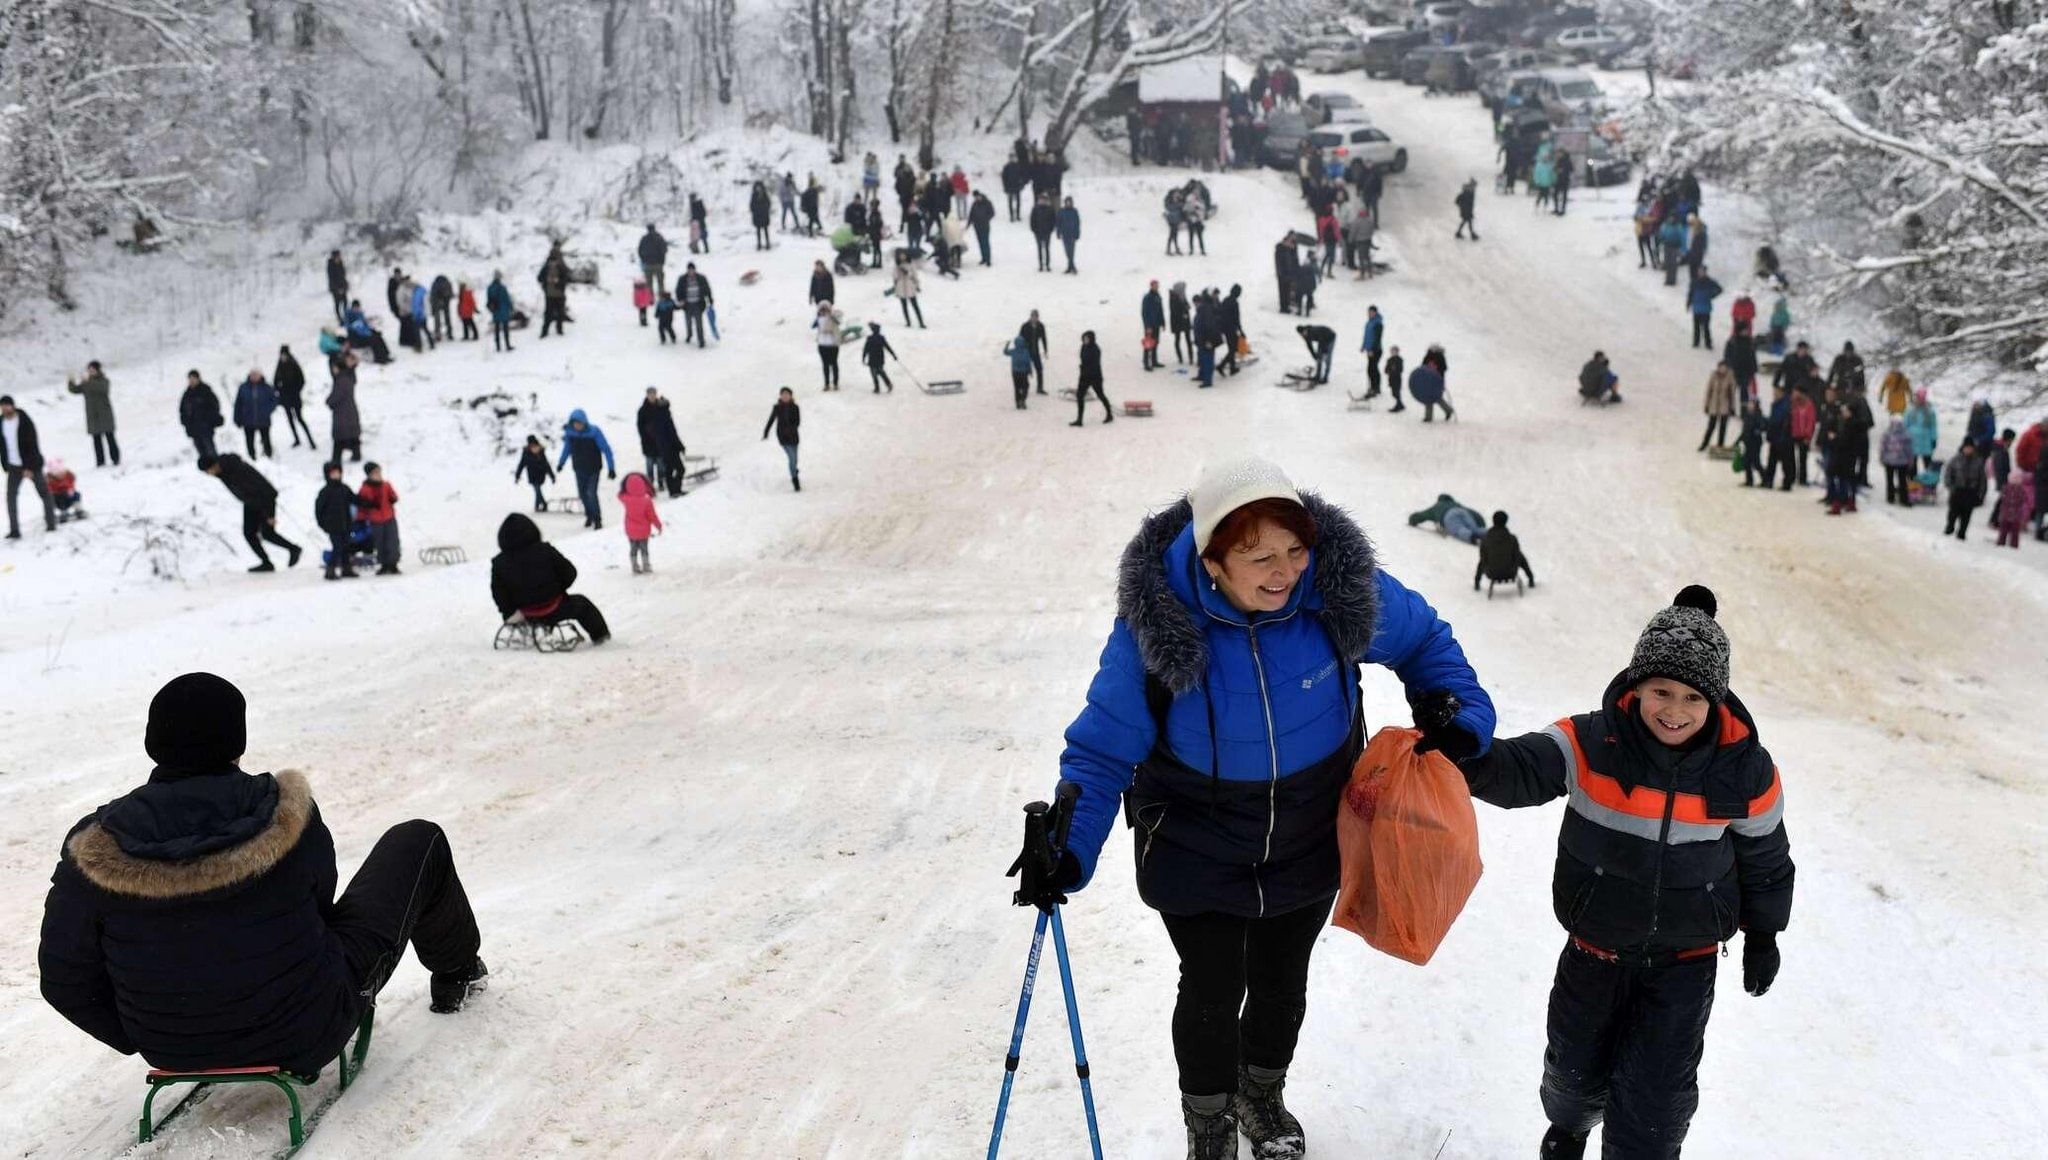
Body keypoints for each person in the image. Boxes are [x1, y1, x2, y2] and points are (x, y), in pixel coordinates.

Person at [1039, 456, 1494, 1160]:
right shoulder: (1157, 630)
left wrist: (1456, 708)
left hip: (1310, 829)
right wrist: (1066, 850)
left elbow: (1427, 640)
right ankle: (1210, 1120)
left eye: (1294, 550)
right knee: (1214, 986)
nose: (1284, 571)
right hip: (1196, 832)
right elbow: (1103, 752)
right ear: (1212, 559)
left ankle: (1260, 1090)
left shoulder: (1338, 595)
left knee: (1283, 981)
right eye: (1258, 557)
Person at [1455, 586, 1793, 1160]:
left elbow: (1766, 860)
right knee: (1573, 1075)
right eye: (1661, 691)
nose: (1674, 710)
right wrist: (1463, 753)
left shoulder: (1745, 772)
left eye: (1692, 697)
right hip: (1594, 951)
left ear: (1717, 700)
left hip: (1684, 966)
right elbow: (1517, 770)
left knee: (1656, 1105)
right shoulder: (1590, 742)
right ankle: (1568, 1128)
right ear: (1636, 686)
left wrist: (1763, 935)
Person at [38, 674, 489, 1082]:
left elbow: (63, 977)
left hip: (170, 1045)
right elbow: (321, 909)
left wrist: (146, 1028)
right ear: (237, 740)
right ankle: (457, 973)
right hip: (308, 1030)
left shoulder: (96, 845)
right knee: (417, 840)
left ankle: (192, 1035)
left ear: (153, 742)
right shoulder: (283, 812)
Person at [492, 515, 611, 644]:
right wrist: (559, 589)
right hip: (553, 607)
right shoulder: (545, 550)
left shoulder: (499, 562)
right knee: (582, 605)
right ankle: (601, 636)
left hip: (524, 613)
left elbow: (498, 592)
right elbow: (570, 572)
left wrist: (509, 612)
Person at [198, 453, 301, 572]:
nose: (208, 474)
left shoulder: (236, 469)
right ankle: (266, 562)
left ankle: (294, 549)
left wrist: (270, 515)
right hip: (251, 502)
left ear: (214, 466)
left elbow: (261, 488)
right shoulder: (223, 472)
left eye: (207, 471)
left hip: (264, 499)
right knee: (249, 533)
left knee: (267, 533)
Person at [1, 396, 57, 538]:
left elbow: (32, 445)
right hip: (13, 467)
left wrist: (29, 468)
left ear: (13, 406)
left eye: (7, 405)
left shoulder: (24, 420)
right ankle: (15, 530)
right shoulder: (1, 423)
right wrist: (5, 464)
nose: (5, 408)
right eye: (3, 406)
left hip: (32, 465)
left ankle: (51, 523)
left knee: (44, 492)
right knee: (10, 497)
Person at [556, 410, 616, 529]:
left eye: (580, 423)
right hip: (579, 468)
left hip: (594, 469)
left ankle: (597, 519)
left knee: (591, 493)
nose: (577, 425)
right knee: (582, 494)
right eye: (575, 423)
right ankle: (589, 515)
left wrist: (611, 468)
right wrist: (561, 463)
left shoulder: (594, 432)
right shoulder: (570, 434)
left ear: (584, 422)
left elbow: (606, 449)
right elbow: (566, 449)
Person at [67, 361, 120, 467]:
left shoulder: (104, 381)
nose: (90, 372)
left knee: (110, 438)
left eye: (92, 370)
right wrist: (71, 381)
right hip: (93, 416)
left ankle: (115, 459)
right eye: (89, 370)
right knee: (97, 440)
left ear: (98, 370)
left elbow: (102, 389)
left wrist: (87, 382)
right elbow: (75, 390)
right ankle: (100, 462)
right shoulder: (87, 383)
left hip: (105, 415)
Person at [314, 461, 362, 579]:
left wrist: (366, 502)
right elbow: (319, 510)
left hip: (346, 524)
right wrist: (323, 524)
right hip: (333, 526)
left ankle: (347, 568)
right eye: (333, 473)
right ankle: (330, 570)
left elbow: (354, 500)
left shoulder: (344, 488)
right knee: (337, 547)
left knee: (346, 546)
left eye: (338, 473)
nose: (336, 475)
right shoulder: (325, 492)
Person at [637, 389, 686, 497]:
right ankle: (672, 490)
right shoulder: (645, 411)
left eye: (654, 394)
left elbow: (671, 431)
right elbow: (642, 429)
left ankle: (671, 489)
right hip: (659, 446)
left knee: (668, 468)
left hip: (664, 446)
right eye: (650, 394)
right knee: (665, 468)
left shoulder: (662, 413)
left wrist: (678, 445)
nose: (652, 396)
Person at [355, 461, 401, 574]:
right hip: (375, 520)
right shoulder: (365, 488)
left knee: (393, 541)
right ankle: (384, 564)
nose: (378, 475)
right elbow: (361, 504)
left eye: (379, 472)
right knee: (380, 542)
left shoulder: (386, 485)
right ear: (369, 475)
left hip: (389, 517)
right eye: (375, 473)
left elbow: (393, 495)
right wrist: (362, 515)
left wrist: (393, 498)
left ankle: (393, 563)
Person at [1474, 511, 1536, 591]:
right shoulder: (1512, 539)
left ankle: (1477, 582)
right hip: (1510, 572)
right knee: (1519, 554)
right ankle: (1530, 578)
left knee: (1485, 556)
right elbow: (1517, 556)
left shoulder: (1486, 539)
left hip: (1491, 573)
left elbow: (1483, 559)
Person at [619, 471, 663, 574]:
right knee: (644, 549)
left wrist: (624, 488)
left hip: (630, 530)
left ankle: (634, 566)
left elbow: (619, 494)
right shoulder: (646, 500)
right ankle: (646, 565)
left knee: (633, 548)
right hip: (644, 531)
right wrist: (659, 526)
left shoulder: (626, 499)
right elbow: (652, 516)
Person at [1944, 439, 1988, 539]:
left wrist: (1981, 493)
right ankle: (1950, 527)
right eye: (1966, 448)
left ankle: (1962, 533)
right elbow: (1948, 474)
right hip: (1957, 490)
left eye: (1970, 448)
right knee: (1953, 512)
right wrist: (1950, 486)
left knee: (1966, 515)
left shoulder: (1978, 462)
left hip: (1970, 492)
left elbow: (1982, 479)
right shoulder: (1955, 460)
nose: (1968, 450)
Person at [274, 347, 314, 451]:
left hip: (295, 397)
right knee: (290, 419)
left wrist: (296, 390)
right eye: (281, 355)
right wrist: (279, 391)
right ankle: (296, 439)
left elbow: (301, 380)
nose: (283, 357)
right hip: (285, 398)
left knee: (300, 418)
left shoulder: (294, 364)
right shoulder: (279, 365)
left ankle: (311, 440)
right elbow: (275, 380)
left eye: (284, 355)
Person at [233, 369, 278, 460]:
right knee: (249, 440)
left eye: (256, 375)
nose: (254, 377)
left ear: (260, 375)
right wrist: (237, 418)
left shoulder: (267, 387)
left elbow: (274, 400)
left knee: (266, 439)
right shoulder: (243, 387)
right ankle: (252, 457)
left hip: (263, 420)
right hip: (248, 420)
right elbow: (238, 404)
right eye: (252, 375)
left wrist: (267, 410)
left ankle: (268, 455)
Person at [327, 352, 363, 464]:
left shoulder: (341, 380)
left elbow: (336, 396)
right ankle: (356, 454)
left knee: (339, 437)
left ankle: (335, 459)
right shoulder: (348, 377)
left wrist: (329, 402)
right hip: (350, 410)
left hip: (342, 413)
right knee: (352, 435)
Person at [763, 387, 801, 491]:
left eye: (787, 394)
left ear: (791, 396)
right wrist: (766, 432)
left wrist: (791, 428)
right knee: (792, 458)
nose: (785, 396)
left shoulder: (795, 407)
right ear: (780, 396)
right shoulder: (777, 407)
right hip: (783, 437)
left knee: (795, 459)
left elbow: (798, 422)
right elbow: (771, 420)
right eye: (783, 394)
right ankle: (795, 480)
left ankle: (794, 470)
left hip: (794, 437)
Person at [1069, 331, 1110, 426]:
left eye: (1087, 339)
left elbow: (1094, 364)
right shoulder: (1083, 347)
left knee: (1100, 395)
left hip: (1095, 377)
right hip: (1084, 376)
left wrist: (1085, 368)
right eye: (1084, 339)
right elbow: (1083, 359)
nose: (1085, 340)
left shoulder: (1096, 349)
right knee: (1080, 396)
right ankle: (1079, 419)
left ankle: (1109, 414)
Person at [180, 371, 224, 459]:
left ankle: (217, 467)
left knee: (210, 451)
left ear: (198, 379)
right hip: (193, 429)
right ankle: (207, 469)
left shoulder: (205, 391)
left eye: (193, 379)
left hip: (206, 427)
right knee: (201, 453)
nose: (191, 381)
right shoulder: (187, 394)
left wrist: (208, 420)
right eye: (190, 379)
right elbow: (182, 411)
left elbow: (214, 406)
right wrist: (185, 423)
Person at [1408, 493, 1486, 542]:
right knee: (1474, 528)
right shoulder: (1455, 503)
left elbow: (1422, 515)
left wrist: (1412, 519)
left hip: (1448, 515)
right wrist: (1481, 523)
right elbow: (1473, 513)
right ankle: (1489, 534)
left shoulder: (1436, 507)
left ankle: (1472, 537)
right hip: (1463, 511)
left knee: (1458, 529)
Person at [1879, 418, 1916, 507]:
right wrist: (1911, 459)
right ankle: (1904, 499)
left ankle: (1890, 497)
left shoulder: (1886, 434)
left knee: (1889, 480)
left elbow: (1883, 448)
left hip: (1889, 461)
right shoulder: (1906, 435)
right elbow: (1909, 450)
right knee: (1902, 480)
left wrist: (1882, 458)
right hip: (1902, 461)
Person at [1994, 469, 2034, 549]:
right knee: (2007, 531)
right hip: (2012, 514)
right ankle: (2009, 543)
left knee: (2010, 531)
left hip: (2012, 514)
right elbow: (2024, 501)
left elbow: (2002, 500)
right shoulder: (2014, 489)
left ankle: (2008, 543)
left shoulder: (2013, 489)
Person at [1412, 345, 1454, 422]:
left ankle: (1448, 410)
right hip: (1427, 381)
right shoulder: (1427, 356)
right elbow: (1423, 367)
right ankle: (1428, 417)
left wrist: (1436, 370)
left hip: (1437, 381)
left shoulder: (1441, 357)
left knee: (1438, 398)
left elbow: (1444, 368)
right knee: (1428, 398)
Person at [1700, 362, 1737, 450]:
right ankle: (1704, 443)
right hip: (1714, 405)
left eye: (1724, 368)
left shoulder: (1730, 377)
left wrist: (1732, 407)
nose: (1722, 369)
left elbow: (1732, 393)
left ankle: (1720, 444)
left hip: (1725, 406)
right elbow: (1709, 391)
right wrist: (1706, 405)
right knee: (1711, 426)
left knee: (1723, 427)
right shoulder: (1713, 376)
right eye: (1721, 368)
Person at [537, 246, 571, 339]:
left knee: (553, 313)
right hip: (553, 294)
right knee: (552, 313)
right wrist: (547, 280)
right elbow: (539, 277)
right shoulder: (552, 266)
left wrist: (558, 281)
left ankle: (551, 331)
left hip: (554, 293)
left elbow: (567, 278)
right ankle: (551, 331)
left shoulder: (559, 266)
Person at [676, 264, 713, 348]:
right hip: (687, 304)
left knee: (699, 323)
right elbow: (678, 290)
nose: (691, 272)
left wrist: (710, 300)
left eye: (692, 270)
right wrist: (680, 300)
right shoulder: (682, 279)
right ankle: (689, 335)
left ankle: (701, 340)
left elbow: (707, 289)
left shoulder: (701, 278)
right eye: (690, 270)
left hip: (698, 304)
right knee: (688, 322)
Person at [1687, 269, 1722, 349]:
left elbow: (1720, 289)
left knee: (1706, 327)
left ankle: (1708, 343)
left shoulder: (1709, 282)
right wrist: (1688, 303)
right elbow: (1690, 293)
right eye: (1699, 271)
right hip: (1696, 308)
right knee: (1696, 327)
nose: (1700, 273)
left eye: (1702, 271)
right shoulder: (1694, 282)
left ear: (1705, 272)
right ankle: (1696, 342)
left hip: (1706, 308)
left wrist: (1711, 295)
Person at [813, 303, 844, 390]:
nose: (824, 312)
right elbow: (813, 326)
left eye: (825, 310)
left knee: (834, 364)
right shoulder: (819, 319)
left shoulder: (833, 318)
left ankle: (835, 383)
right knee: (825, 365)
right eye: (822, 310)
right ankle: (826, 383)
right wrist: (818, 317)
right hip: (822, 345)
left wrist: (831, 316)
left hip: (833, 344)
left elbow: (839, 322)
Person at [1737, 396, 1767, 488]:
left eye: (1752, 403)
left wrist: (1757, 430)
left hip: (1755, 442)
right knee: (1747, 462)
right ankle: (1749, 480)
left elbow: (1763, 426)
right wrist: (1738, 441)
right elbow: (1744, 431)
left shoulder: (1758, 415)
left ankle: (1765, 478)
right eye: (1749, 403)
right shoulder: (1747, 416)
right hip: (1748, 442)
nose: (1749, 405)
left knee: (1756, 462)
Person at [1004, 330, 1036, 410]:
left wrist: (1007, 345)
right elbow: (1028, 362)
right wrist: (1030, 371)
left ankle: (1018, 402)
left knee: (1017, 387)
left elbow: (1005, 352)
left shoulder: (1013, 351)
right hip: (1024, 373)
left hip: (1015, 372)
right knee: (1025, 386)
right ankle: (1023, 400)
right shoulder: (1026, 351)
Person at [892, 255, 925, 329]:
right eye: (901, 256)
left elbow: (915, 275)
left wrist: (917, 285)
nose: (902, 257)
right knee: (904, 306)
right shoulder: (897, 266)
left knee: (915, 305)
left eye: (904, 255)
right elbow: (895, 277)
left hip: (910, 286)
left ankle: (921, 322)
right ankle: (908, 322)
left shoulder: (911, 265)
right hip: (901, 287)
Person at [863, 323, 897, 393]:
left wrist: (863, 357)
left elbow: (866, 349)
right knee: (881, 372)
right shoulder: (881, 338)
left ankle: (877, 388)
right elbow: (888, 347)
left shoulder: (870, 338)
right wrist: (893, 355)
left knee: (874, 374)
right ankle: (888, 384)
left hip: (872, 358)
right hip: (880, 358)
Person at [1021, 310, 1049, 394]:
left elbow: (1044, 338)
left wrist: (1045, 350)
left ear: (1037, 317)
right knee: (1025, 370)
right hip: (1026, 351)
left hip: (1035, 351)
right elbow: (1020, 338)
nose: (1034, 318)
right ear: (1030, 317)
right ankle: (1023, 387)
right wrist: (1021, 350)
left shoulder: (1041, 326)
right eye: (1032, 316)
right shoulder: (1025, 326)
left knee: (1039, 369)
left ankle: (1039, 388)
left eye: (1035, 317)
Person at [486, 271, 515, 352]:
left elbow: (488, 300)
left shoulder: (489, 288)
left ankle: (498, 347)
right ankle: (507, 345)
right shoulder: (502, 288)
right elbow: (507, 299)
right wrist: (511, 308)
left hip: (495, 310)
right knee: (505, 328)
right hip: (504, 310)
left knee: (497, 329)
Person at [1360, 306, 1384, 398]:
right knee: (1371, 369)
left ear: (1375, 313)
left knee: (1372, 369)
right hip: (1369, 349)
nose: (1369, 314)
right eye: (1368, 312)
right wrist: (1364, 346)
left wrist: (1371, 349)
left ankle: (1374, 388)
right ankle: (1374, 387)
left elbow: (1377, 338)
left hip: (1376, 350)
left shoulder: (1378, 323)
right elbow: (1367, 336)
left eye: (1371, 312)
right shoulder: (1369, 322)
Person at [1141, 282, 1166, 372]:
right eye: (1155, 286)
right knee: (1148, 344)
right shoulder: (1147, 297)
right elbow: (1144, 313)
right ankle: (1146, 363)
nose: (1156, 287)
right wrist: (1147, 326)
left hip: (1157, 324)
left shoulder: (1158, 297)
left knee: (1155, 343)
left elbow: (1161, 311)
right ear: (1151, 286)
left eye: (1157, 286)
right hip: (1150, 325)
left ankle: (1154, 361)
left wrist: (1163, 323)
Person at [1054, 196, 1082, 275]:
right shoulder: (1061, 211)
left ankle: (1071, 266)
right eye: (1067, 202)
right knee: (1067, 251)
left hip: (1072, 234)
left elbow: (1077, 223)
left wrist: (1077, 233)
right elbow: (1058, 223)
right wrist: (1058, 233)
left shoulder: (1074, 211)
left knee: (1072, 251)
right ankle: (1071, 266)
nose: (1068, 204)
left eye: (1069, 202)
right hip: (1064, 234)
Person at [1029, 195, 1057, 272]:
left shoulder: (1050, 209)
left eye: (1043, 200)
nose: (1042, 201)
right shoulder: (1035, 209)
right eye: (1041, 200)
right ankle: (1041, 265)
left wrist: (1051, 229)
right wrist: (1034, 230)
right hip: (1038, 232)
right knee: (1039, 249)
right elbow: (1032, 220)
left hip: (1047, 232)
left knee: (1047, 249)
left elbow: (1053, 220)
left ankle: (1047, 265)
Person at [638, 223, 668, 295]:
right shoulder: (659, 237)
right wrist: (662, 260)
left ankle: (650, 297)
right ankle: (662, 296)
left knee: (649, 283)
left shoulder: (644, 238)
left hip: (648, 264)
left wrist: (643, 259)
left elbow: (639, 250)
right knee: (660, 282)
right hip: (658, 264)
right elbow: (665, 249)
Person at [969, 190, 996, 266]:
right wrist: (968, 224)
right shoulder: (974, 204)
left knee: (985, 242)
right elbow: (971, 215)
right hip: (977, 226)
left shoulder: (987, 203)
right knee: (980, 242)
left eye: (977, 197)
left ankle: (988, 259)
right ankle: (983, 258)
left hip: (985, 226)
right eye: (975, 197)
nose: (976, 198)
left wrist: (986, 219)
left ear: (980, 195)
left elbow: (992, 213)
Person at [1169, 283, 1193, 367]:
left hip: (1184, 321)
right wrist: (1184, 311)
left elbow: (1186, 305)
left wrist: (1186, 307)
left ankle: (1191, 358)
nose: (1184, 290)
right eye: (1183, 288)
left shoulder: (1182, 296)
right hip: (1178, 322)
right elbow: (1175, 310)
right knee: (1178, 339)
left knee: (1188, 339)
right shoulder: (1174, 297)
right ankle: (1180, 358)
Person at [1274, 237, 1300, 314]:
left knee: (1287, 291)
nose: (1290, 244)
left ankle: (1286, 306)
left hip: (1288, 274)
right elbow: (1279, 264)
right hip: (1282, 275)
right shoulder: (1280, 250)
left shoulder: (1288, 250)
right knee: (1282, 292)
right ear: (1285, 242)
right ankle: (1283, 308)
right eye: (1288, 242)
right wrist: (1280, 274)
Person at [326, 250, 350, 324]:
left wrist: (346, 285)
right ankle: (339, 318)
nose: (339, 258)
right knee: (337, 304)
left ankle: (346, 316)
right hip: (335, 288)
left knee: (345, 302)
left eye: (339, 256)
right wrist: (337, 289)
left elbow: (343, 275)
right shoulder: (330, 266)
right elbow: (331, 279)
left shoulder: (341, 264)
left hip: (343, 287)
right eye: (337, 257)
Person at [429, 274, 454, 342]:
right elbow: (451, 294)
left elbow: (432, 295)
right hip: (446, 302)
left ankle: (438, 334)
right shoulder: (448, 283)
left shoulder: (435, 284)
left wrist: (432, 308)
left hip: (437, 302)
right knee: (447, 318)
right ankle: (450, 333)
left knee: (437, 319)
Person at [1384, 345, 1407, 413]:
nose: (1393, 353)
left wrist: (1394, 370)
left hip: (1397, 379)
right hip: (1391, 378)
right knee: (1393, 393)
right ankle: (1400, 404)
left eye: (1395, 351)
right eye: (1392, 351)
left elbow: (1400, 369)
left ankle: (1398, 405)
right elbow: (1386, 369)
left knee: (1396, 392)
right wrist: (1389, 370)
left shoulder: (1399, 360)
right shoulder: (1389, 360)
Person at [750, 181, 773, 250]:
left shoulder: (764, 194)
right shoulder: (754, 195)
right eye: (757, 187)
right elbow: (751, 205)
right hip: (757, 215)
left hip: (764, 215)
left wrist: (765, 209)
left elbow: (768, 203)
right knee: (758, 231)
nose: (758, 188)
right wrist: (754, 211)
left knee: (766, 230)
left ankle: (767, 243)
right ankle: (759, 244)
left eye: (759, 187)